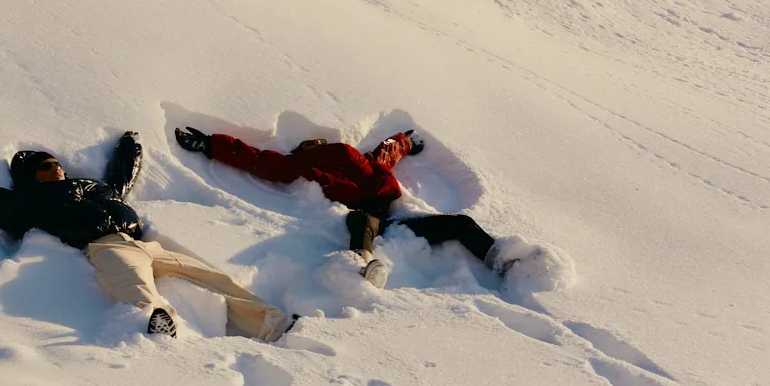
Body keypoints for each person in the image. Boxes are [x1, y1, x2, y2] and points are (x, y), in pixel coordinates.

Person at [0, 132, 291, 340]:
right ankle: (156, 322)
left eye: (57, 163)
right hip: (104, 245)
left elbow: (120, 179)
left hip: (142, 240)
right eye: (48, 166)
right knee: (131, 282)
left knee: (213, 278)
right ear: (33, 175)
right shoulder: (28, 202)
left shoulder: (94, 187)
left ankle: (271, 323)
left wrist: (129, 148)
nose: (57, 168)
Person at [174, 127, 515, 288]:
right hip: (378, 218)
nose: (316, 145)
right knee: (360, 220)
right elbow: (260, 160)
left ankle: (502, 261)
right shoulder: (302, 166)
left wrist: (407, 141)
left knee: (460, 223)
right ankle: (363, 265)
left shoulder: (362, 161)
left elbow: (389, 151)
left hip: (398, 215)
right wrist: (211, 144)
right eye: (311, 145)